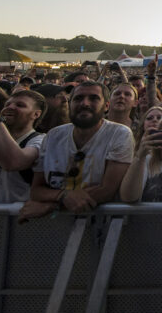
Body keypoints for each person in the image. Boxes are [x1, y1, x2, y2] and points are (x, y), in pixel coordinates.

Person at [18, 81, 133, 222]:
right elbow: (37, 191)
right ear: (69, 104)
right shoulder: (54, 136)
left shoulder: (119, 134)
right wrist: (63, 196)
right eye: (78, 98)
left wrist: (52, 206)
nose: (85, 103)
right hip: (56, 227)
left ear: (106, 106)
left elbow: (107, 190)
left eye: (93, 98)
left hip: (102, 227)